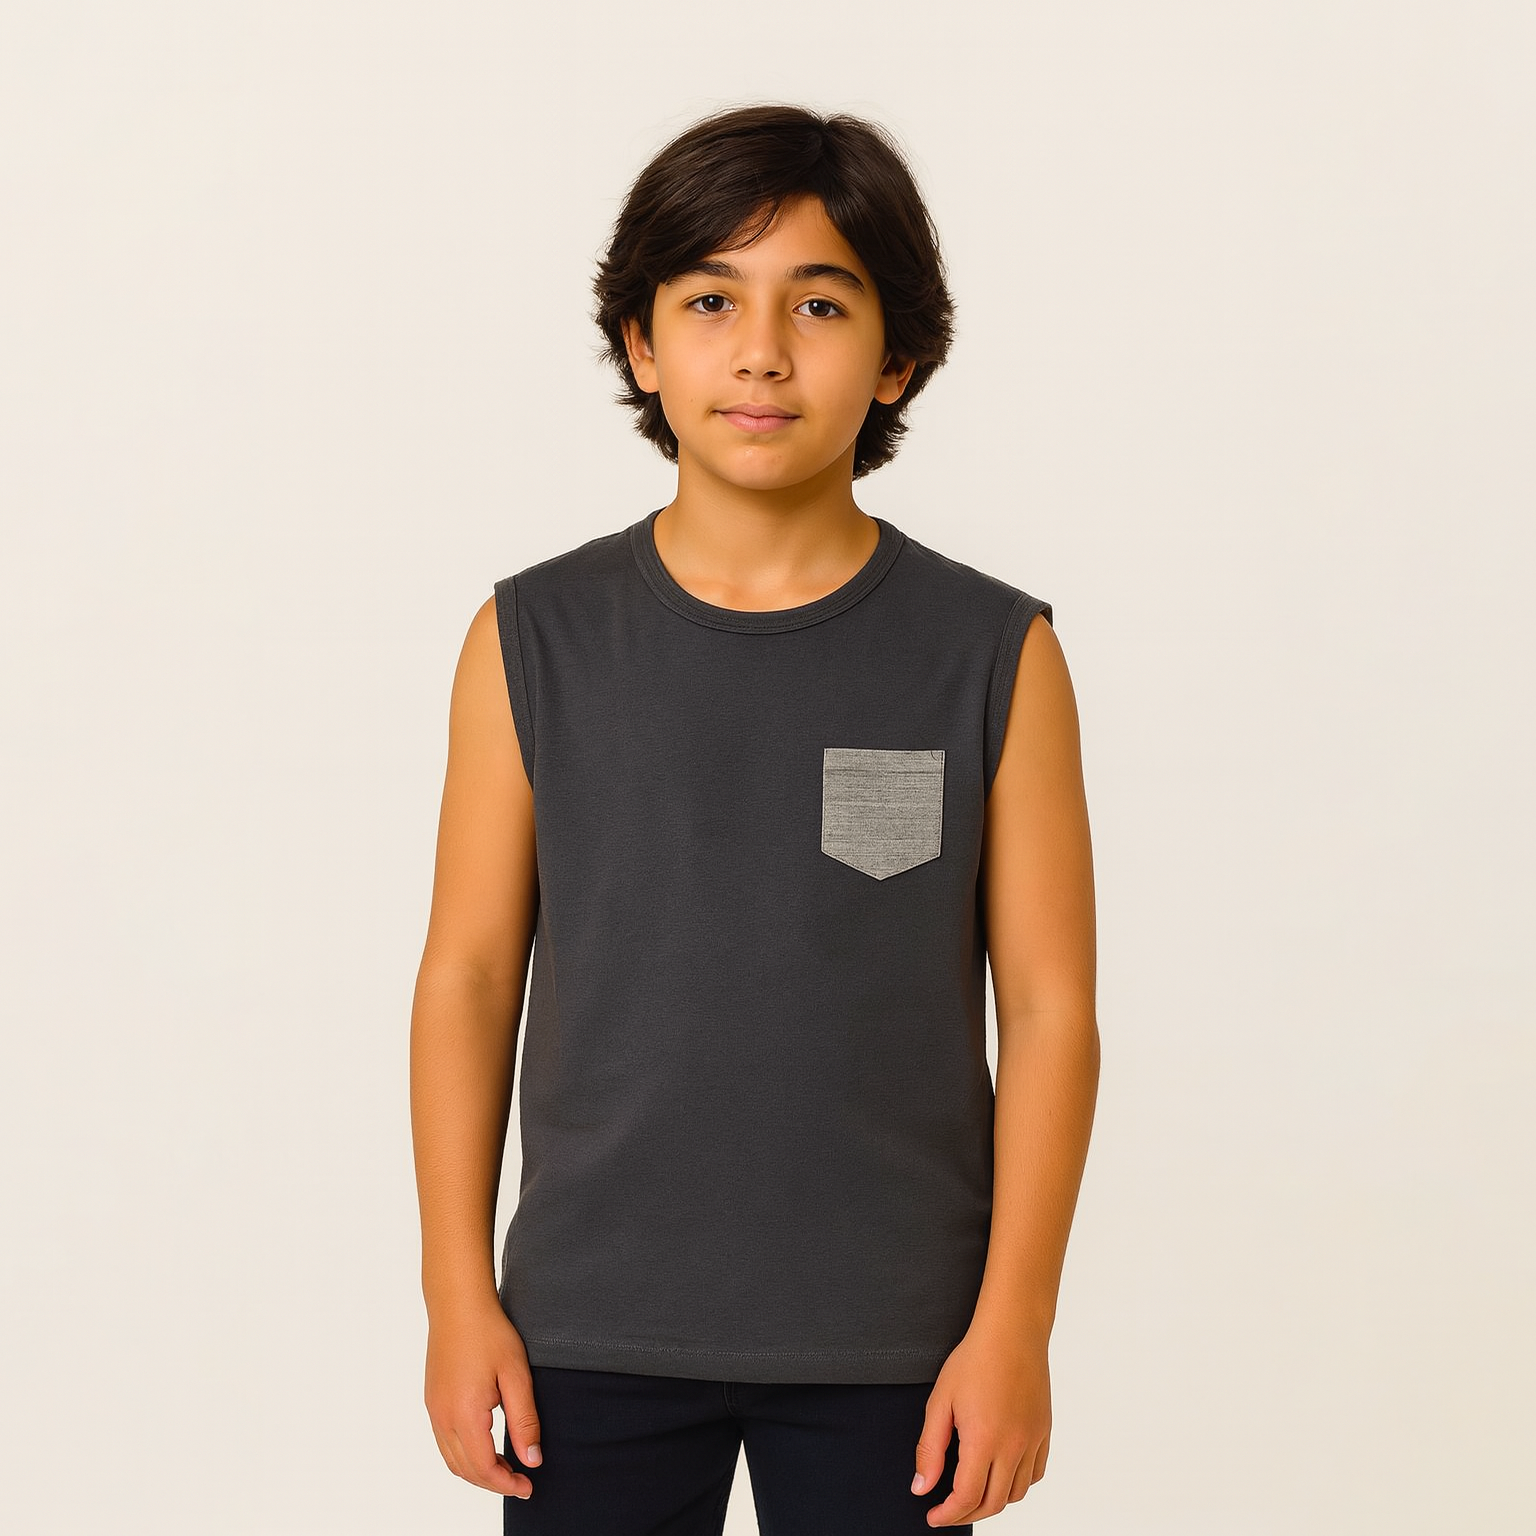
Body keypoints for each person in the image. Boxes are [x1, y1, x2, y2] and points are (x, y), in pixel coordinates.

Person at [410, 103, 1100, 1534]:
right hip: (587, 1328)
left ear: (897, 356)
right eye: (712, 301)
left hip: (899, 1344)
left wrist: (1015, 1327)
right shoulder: (531, 640)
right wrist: (457, 1297)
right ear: (642, 345)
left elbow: (1049, 1010)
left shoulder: (993, 655)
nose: (764, 352)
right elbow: (469, 977)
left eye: (821, 305)